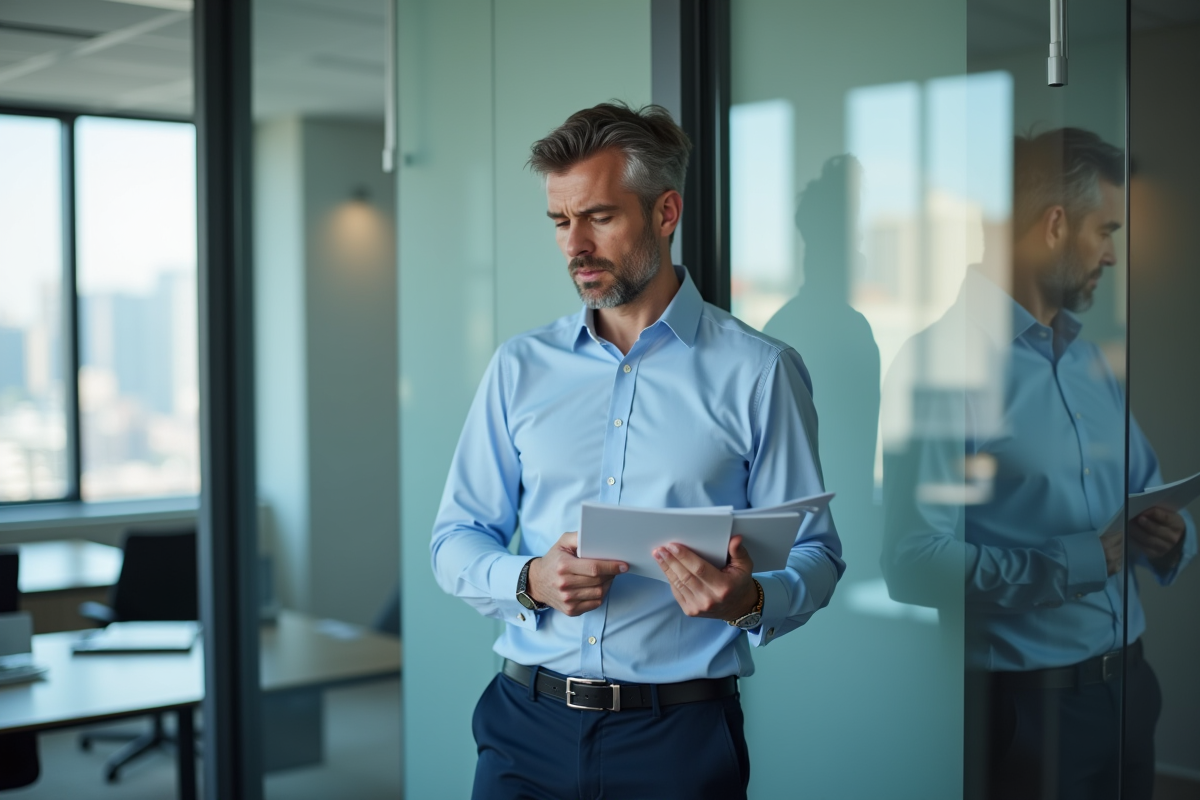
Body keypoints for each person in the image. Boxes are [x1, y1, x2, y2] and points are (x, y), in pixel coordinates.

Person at [431, 101, 844, 800]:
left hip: (677, 741)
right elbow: (454, 541)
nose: (574, 245)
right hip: (523, 730)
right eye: (561, 222)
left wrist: (749, 599)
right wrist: (529, 578)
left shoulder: (759, 371)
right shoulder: (518, 366)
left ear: (665, 213)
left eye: (598, 216)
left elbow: (817, 555)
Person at [881, 128, 1197, 800]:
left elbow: (1143, 488)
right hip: (1027, 715)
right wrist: (1073, 563)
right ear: (1055, 224)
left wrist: (1172, 535)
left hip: (1130, 692)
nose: (1112, 256)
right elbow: (911, 559)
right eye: (1105, 230)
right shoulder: (943, 364)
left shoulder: (1086, 356)